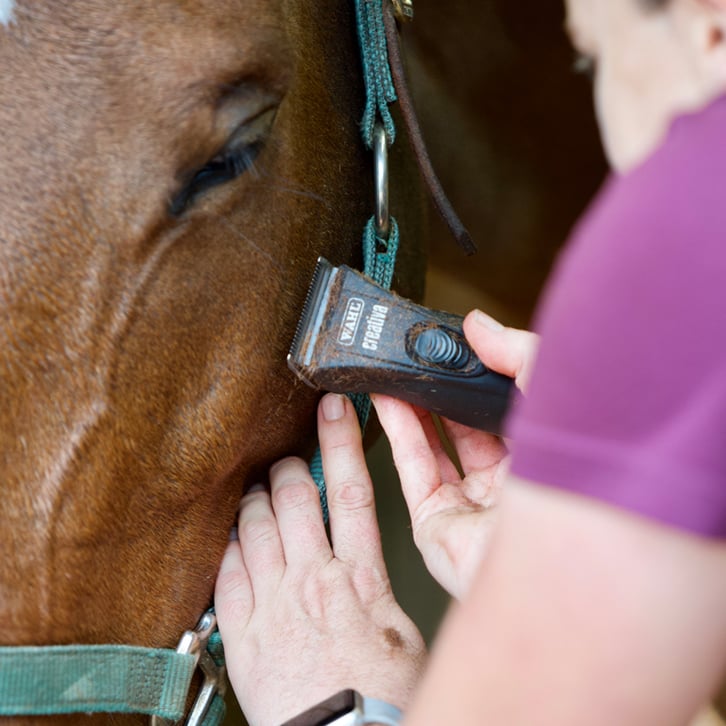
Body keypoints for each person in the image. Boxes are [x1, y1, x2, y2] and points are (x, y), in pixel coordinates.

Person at [214, 0, 726, 723]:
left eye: (593, 55)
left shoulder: (688, 225)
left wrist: (339, 706)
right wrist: (566, 595)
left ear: (710, 27)